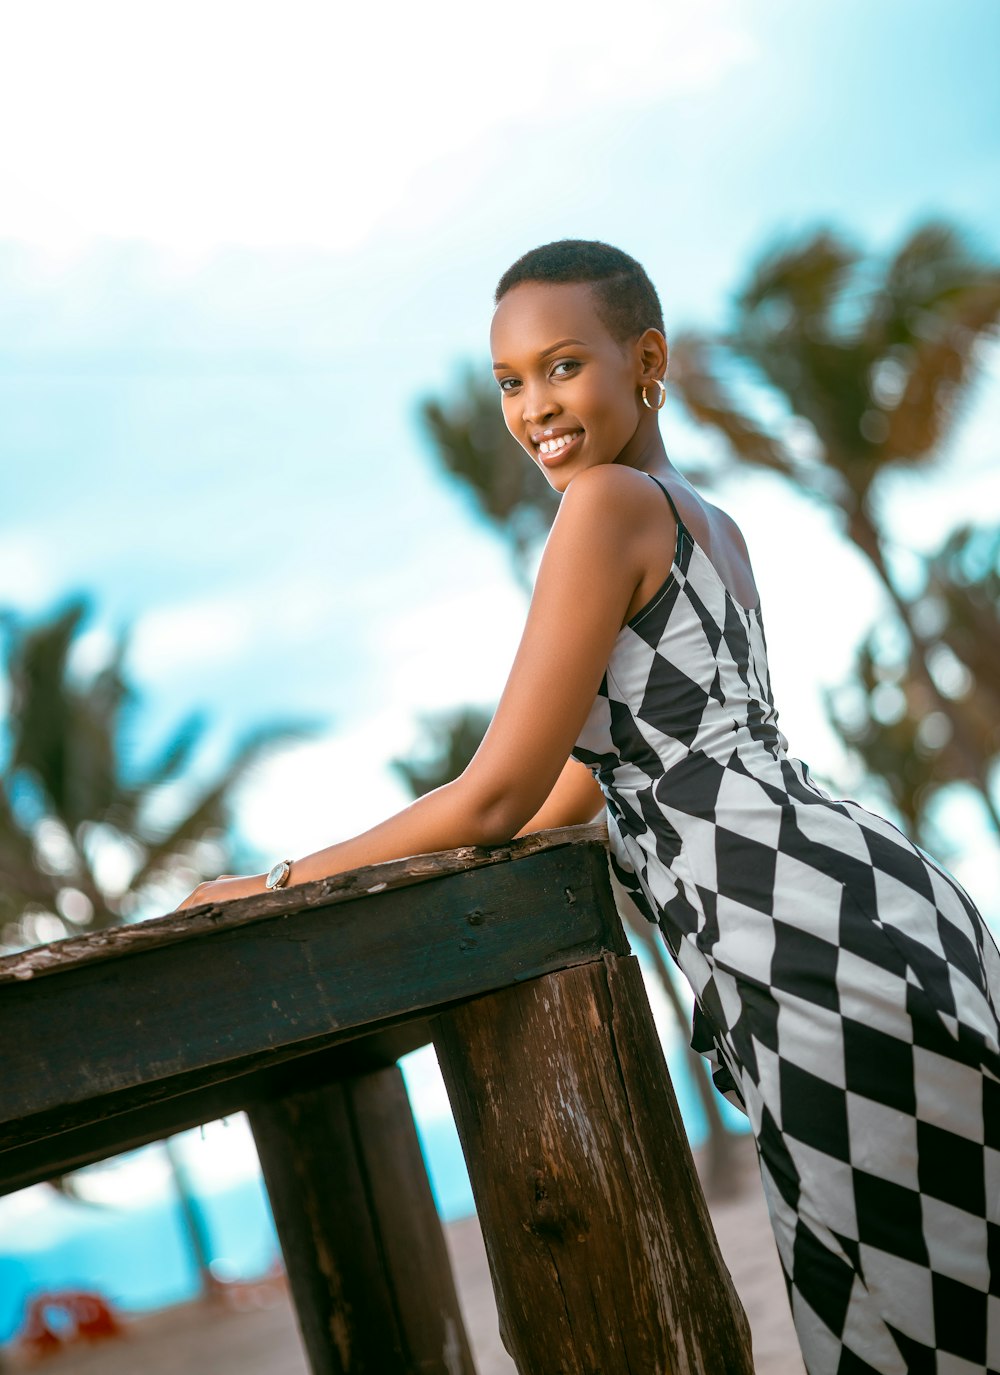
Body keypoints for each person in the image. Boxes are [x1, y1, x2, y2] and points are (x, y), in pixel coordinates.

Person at [178, 238, 1000, 1374]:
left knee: (912, 1318)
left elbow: (501, 788)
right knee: (926, 1293)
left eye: (562, 365)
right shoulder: (705, 517)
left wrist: (273, 884)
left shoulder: (605, 506)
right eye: (511, 381)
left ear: (645, 358)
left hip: (796, 943)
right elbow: (584, 782)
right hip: (865, 901)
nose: (533, 407)